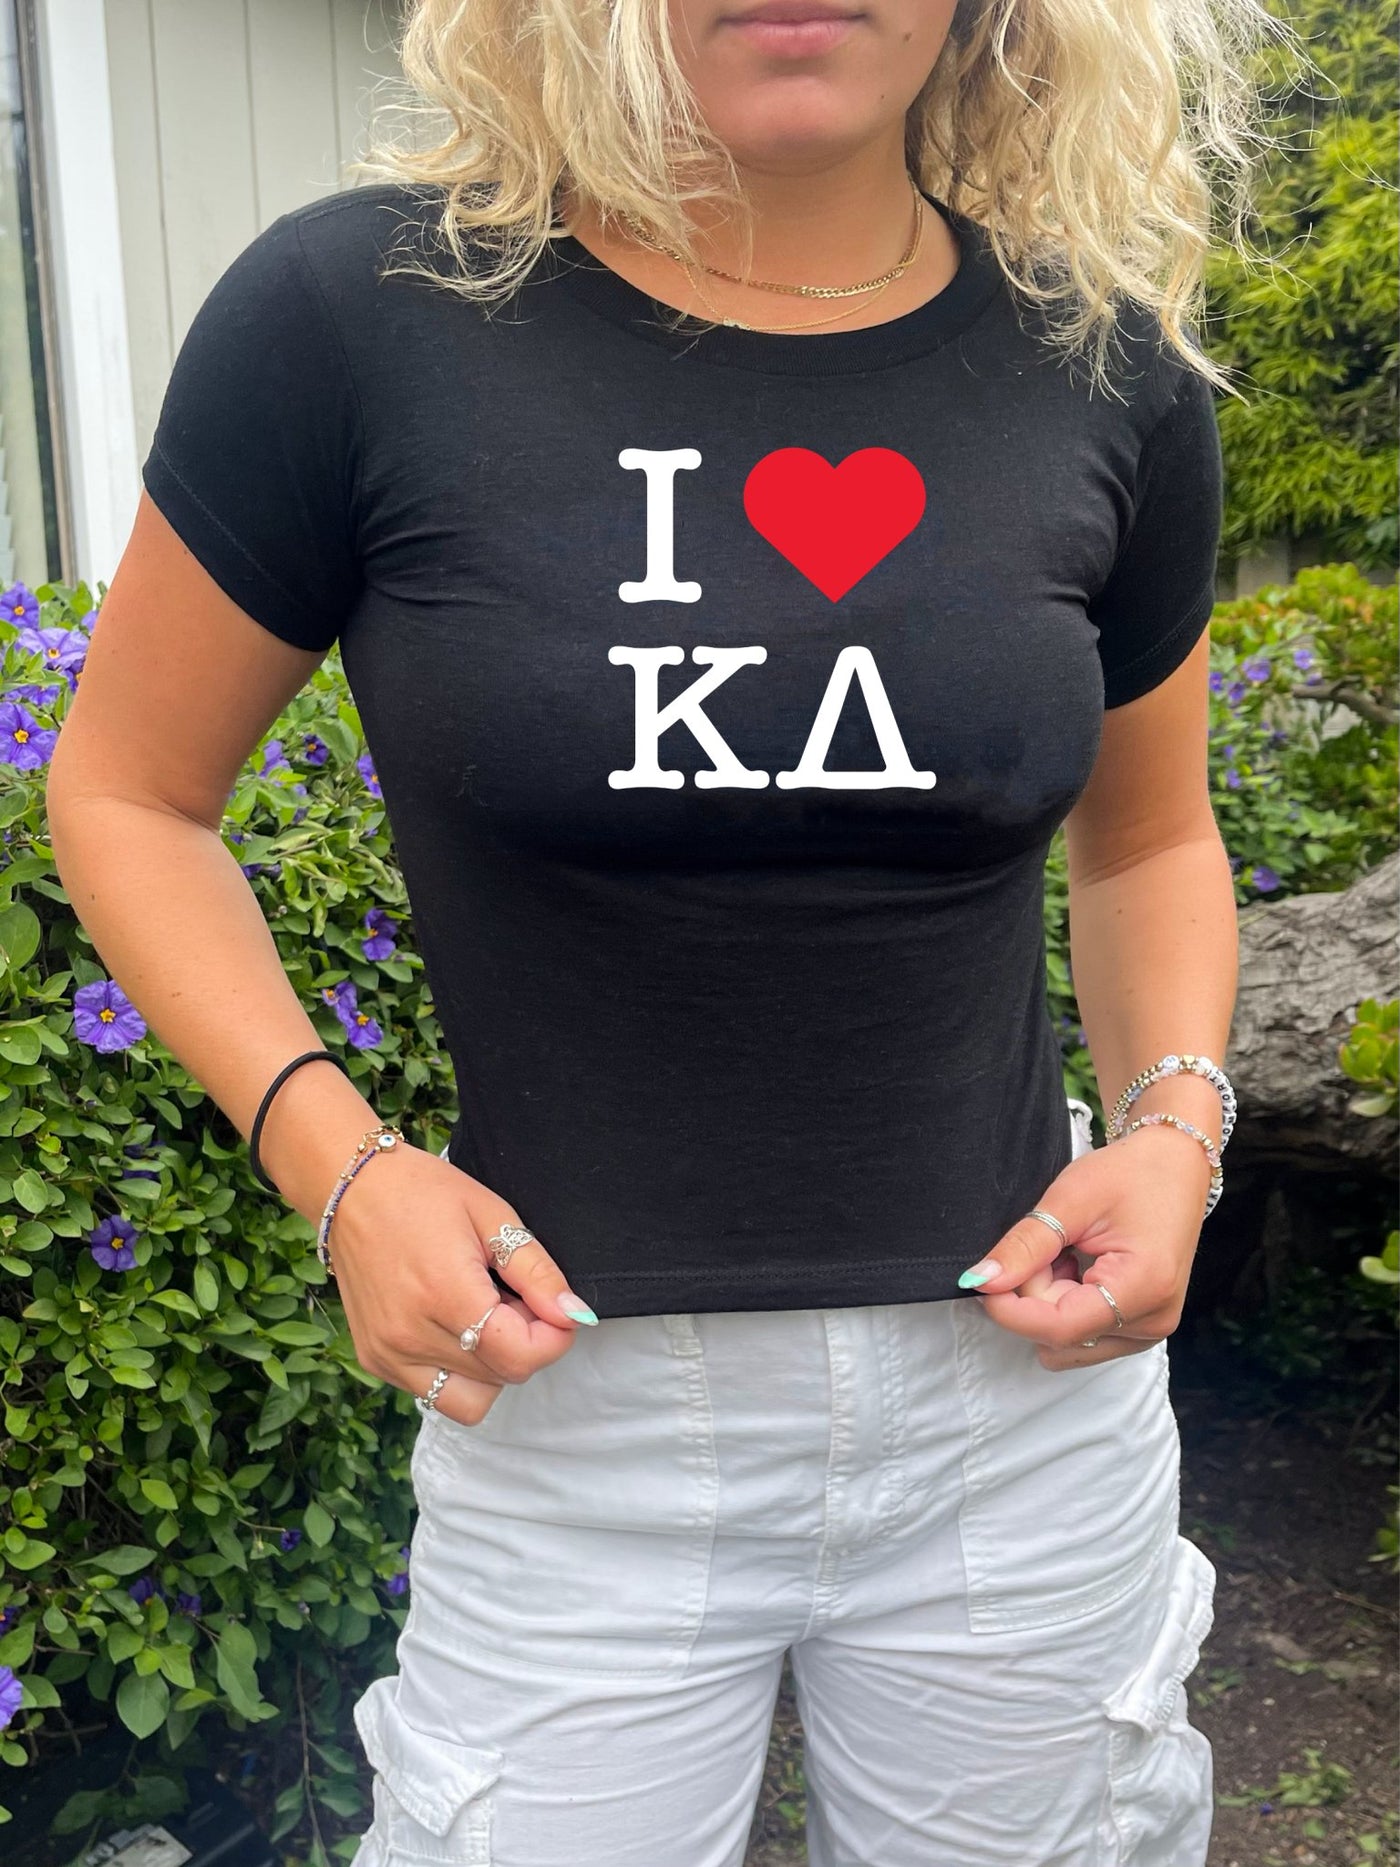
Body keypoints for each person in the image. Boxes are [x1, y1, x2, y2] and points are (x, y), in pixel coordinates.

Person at [45, 0, 1289, 1860]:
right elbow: (131, 792)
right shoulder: (361, 316)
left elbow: (1151, 841)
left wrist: (1176, 1124)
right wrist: (340, 1166)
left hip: (1025, 1405)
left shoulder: (1099, 359)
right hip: (569, 1399)